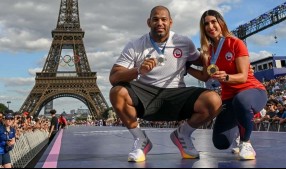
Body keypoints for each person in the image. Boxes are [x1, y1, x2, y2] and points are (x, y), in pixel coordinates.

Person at [109, 6, 222, 162]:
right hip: (146, 96)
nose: (160, 23)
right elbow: (114, 77)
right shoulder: (135, 45)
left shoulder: (183, 42)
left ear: (171, 22)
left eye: (163, 19)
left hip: (177, 96)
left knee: (214, 100)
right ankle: (141, 139)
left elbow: (206, 61)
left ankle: (183, 134)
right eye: (155, 19)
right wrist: (138, 70)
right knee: (117, 92)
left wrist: (236, 63)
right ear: (149, 22)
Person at [187, 9, 267, 160]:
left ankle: (246, 143)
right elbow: (205, 76)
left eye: (213, 22)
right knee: (220, 143)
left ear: (221, 23)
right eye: (206, 24)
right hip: (229, 98)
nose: (210, 26)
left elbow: (243, 77)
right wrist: (187, 68)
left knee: (242, 101)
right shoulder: (209, 52)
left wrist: (227, 77)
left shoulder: (236, 43)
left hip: (252, 90)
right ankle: (239, 127)